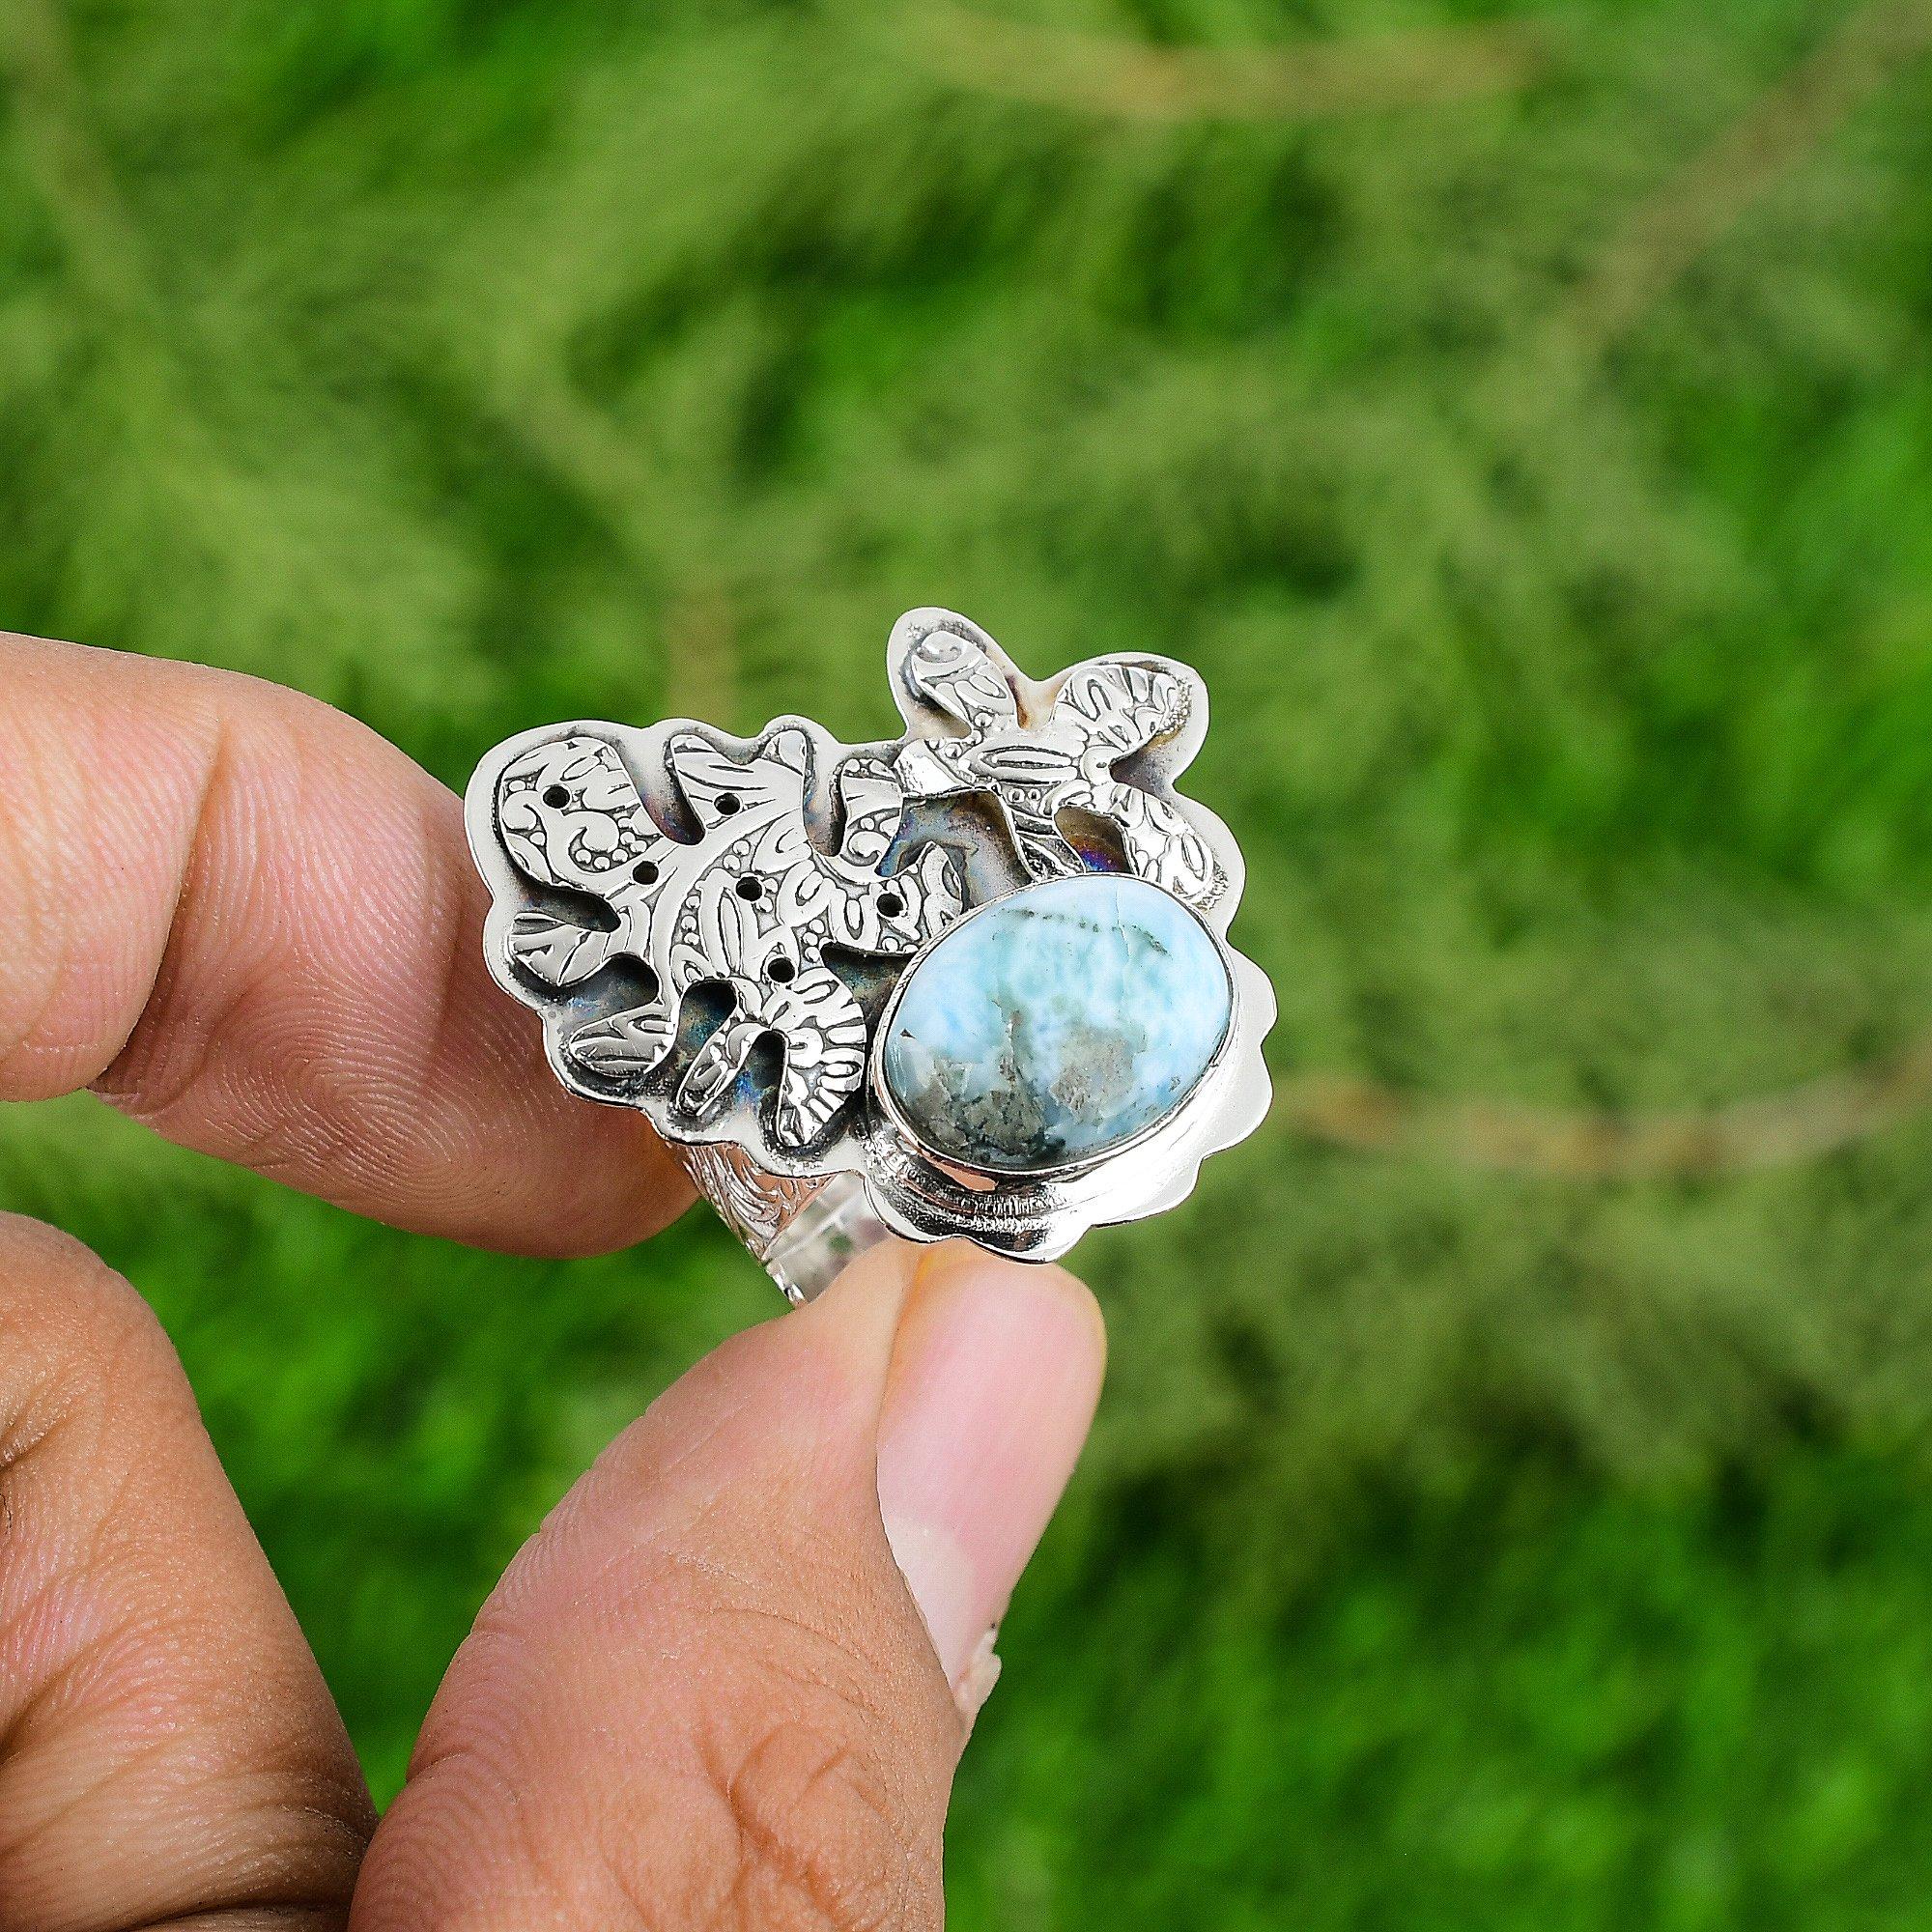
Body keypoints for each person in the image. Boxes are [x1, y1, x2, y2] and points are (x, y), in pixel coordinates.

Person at [0, 632, 1106, 1929]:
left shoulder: (763, 811)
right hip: (797, 1061)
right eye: (568, 836)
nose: (594, 837)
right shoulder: (620, 951)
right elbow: (670, 1044)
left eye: (592, 813)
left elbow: (815, 810)